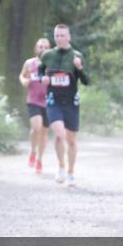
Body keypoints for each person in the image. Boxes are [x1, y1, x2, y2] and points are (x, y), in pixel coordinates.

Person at [40, 24, 89, 183]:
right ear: (54, 37)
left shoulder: (76, 55)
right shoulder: (47, 55)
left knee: (71, 140)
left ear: (69, 37)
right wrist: (43, 78)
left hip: (71, 102)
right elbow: (41, 70)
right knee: (60, 135)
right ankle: (61, 166)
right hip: (53, 101)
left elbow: (86, 81)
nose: (59, 38)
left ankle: (70, 171)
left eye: (62, 35)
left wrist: (79, 68)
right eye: (57, 36)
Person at [19, 37, 51, 173]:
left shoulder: (53, 64)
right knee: (36, 128)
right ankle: (33, 151)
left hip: (49, 101)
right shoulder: (30, 63)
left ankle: (39, 159)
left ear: (50, 50)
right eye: (40, 46)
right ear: (36, 49)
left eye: (45, 47)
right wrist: (24, 81)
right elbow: (22, 75)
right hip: (33, 100)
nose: (42, 49)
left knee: (44, 132)